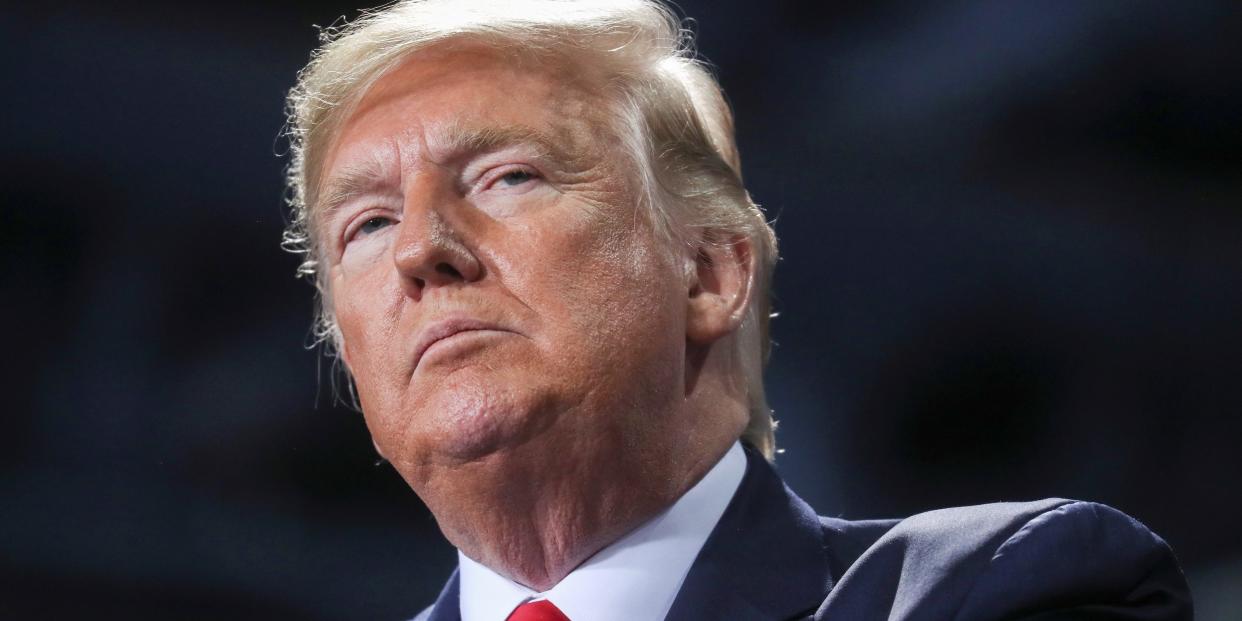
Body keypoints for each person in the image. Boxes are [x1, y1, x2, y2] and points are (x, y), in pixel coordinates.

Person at [281, 1, 1192, 619]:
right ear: (352, 359)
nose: (417, 248)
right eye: (365, 223)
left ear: (710, 273)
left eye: (508, 175)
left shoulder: (1002, 589)